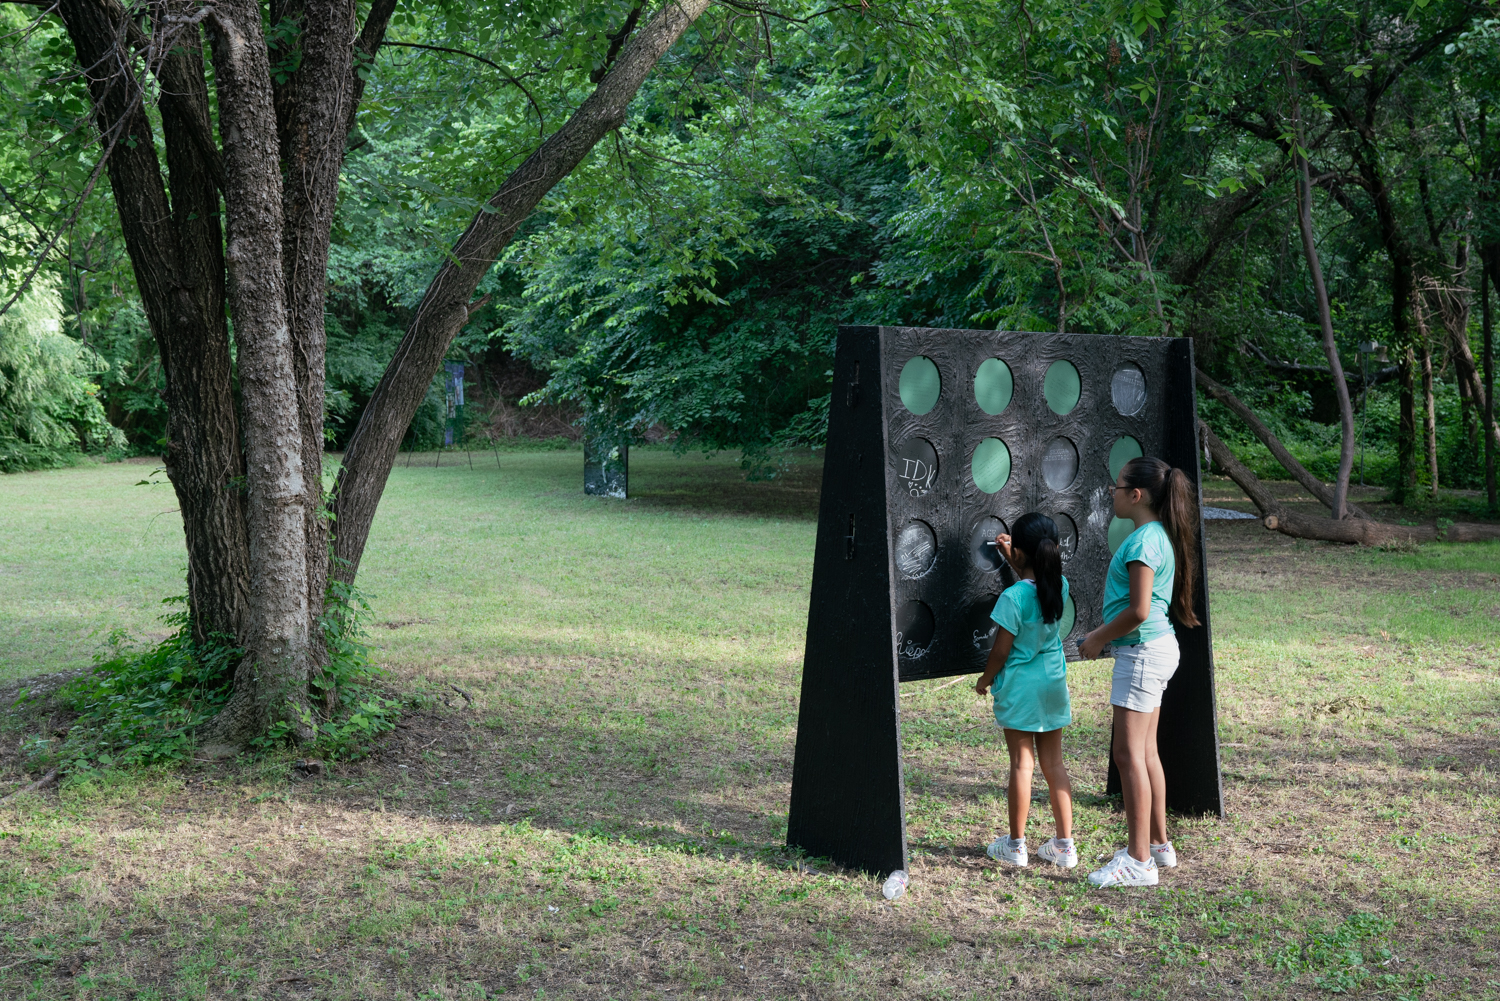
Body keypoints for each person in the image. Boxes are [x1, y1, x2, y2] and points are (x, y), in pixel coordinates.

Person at [1078, 456, 1200, 888]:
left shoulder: (1145, 542)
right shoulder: (1154, 535)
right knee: (1145, 754)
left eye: (1117, 486)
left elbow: (1139, 610)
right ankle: (1159, 846)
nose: (1111, 492)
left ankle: (1139, 860)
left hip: (1142, 654)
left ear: (1136, 494)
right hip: (1155, 650)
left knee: (1128, 756)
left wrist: (1096, 638)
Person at [973, 512, 1076, 869]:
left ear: (1019, 552)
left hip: (1020, 689)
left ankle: (1016, 846)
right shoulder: (1059, 585)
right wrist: (1014, 556)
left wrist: (984, 680)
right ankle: (1064, 846)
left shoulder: (1011, 599)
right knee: (1054, 763)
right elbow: (1036, 582)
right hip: (1052, 684)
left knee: (1022, 764)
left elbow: (1001, 650)